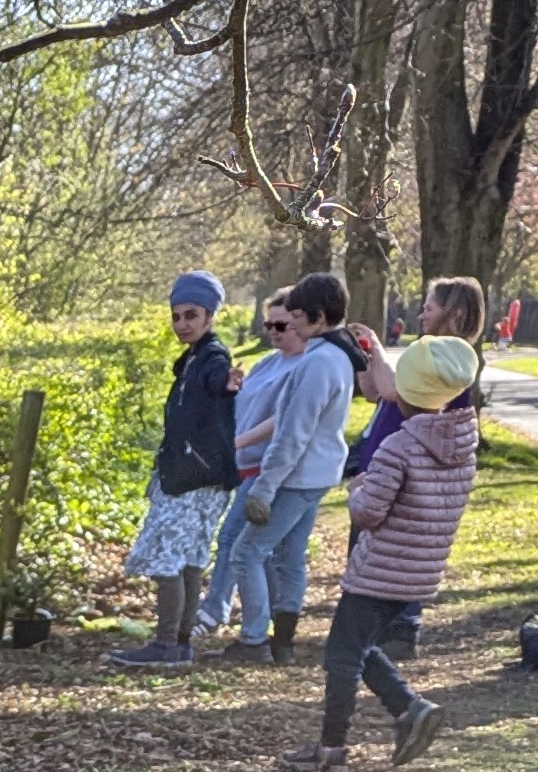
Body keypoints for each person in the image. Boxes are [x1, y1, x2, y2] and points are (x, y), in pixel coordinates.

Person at [287, 334, 479, 772]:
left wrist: (359, 487)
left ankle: (333, 748)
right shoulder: (462, 447)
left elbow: (369, 512)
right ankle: (407, 709)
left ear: (405, 392)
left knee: (341, 655)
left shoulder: (400, 446)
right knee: (358, 645)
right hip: (418, 572)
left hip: (381, 567)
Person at [112, 274, 237, 667]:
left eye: (192, 315)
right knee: (187, 558)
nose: (183, 323)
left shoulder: (213, 359)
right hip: (197, 476)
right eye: (177, 316)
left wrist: (228, 385)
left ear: (211, 315)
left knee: (169, 556)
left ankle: (167, 643)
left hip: (193, 478)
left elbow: (219, 382)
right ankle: (180, 643)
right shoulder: (192, 360)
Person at [233, 270, 361, 640]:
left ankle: (254, 637)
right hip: (316, 473)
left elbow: (294, 432)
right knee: (288, 554)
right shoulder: (336, 355)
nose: (291, 323)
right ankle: (283, 640)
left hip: (297, 475)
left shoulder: (317, 362)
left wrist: (265, 487)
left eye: (299, 316)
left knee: (247, 553)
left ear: (319, 317)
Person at [198, 294, 298, 649]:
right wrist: (234, 387)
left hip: (267, 466)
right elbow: (247, 403)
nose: (273, 331)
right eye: (268, 324)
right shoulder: (269, 362)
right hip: (243, 463)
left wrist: (238, 443)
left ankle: (214, 610)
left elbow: (281, 421)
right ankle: (272, 618)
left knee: (233, 539)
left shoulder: (302, 367)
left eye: (281, 325)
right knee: (262, 550)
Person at [352, 273, 488, 475]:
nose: (421, 316)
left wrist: (374, 344)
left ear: (456, 314)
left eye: (428, 309)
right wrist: (365, 357)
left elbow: (393, 391)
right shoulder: (428, 354)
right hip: (386, 464)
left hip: (404, 472)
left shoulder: (451, 360)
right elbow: (377, 394)